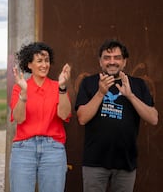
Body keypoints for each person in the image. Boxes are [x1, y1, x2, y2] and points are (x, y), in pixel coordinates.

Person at [75, 39, 158, 192]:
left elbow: (153, 118)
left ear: (124, 61)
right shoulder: (89, 82)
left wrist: (131, 96)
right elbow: (82, 118)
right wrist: (100, 93)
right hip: (95, 162)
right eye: (107, 57)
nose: (112, 62)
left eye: (117, 57)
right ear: (100, 62)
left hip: (126, 163)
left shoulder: (138, 84)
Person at [9, 42, 72, 192]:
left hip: (53, 149)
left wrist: (62, 88)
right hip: (24, 148)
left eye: (47, 60)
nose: (45, 65)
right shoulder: (19, 87)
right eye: (39, 61)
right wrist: (24, 93)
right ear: (29, 64)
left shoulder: (58, 87)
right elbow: (19, 118)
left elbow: (64, 114)